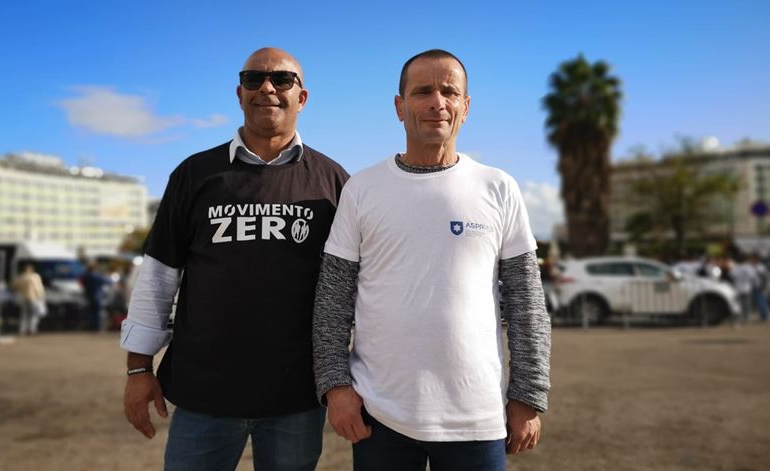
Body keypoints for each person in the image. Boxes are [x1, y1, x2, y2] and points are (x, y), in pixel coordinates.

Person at [313, 49, 551, 470]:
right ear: (400, 105)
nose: (436, 102)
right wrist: (336, 387)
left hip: (476, 417)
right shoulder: (362, 189)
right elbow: (333, 299)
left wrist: (528, 394)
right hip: (381, 414)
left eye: (449, 92)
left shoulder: (499, 187)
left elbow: (526, 300)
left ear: (466, 106)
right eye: (422, 91)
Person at [120, 47, 349, 471]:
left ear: (302, 97)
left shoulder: (334, 182)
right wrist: (138, 370)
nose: (267, 88)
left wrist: (343, 381)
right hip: (202, 394)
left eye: (282, 80)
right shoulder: (194, 174)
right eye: (253, 79)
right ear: (239, 93)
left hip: (296, 396)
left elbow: (350, 292)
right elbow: (159, 275)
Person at [12, 264, 46, 335]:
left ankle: (22, 330)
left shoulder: (20, 277)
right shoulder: (34, 276)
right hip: (34, 297)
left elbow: (14, 286)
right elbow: (38, 288)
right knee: (35, 314)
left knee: (24, 314)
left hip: (23, 297)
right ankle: (32, 329)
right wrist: (41, 296)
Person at [81, 262, 111, 331]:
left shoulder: (85, 276)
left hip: (88, 296)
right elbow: (108, 281)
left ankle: (91, 326)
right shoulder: (94, 276)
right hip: (96, 296)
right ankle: (95, 327)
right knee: (96, 312)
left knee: (91, 312)